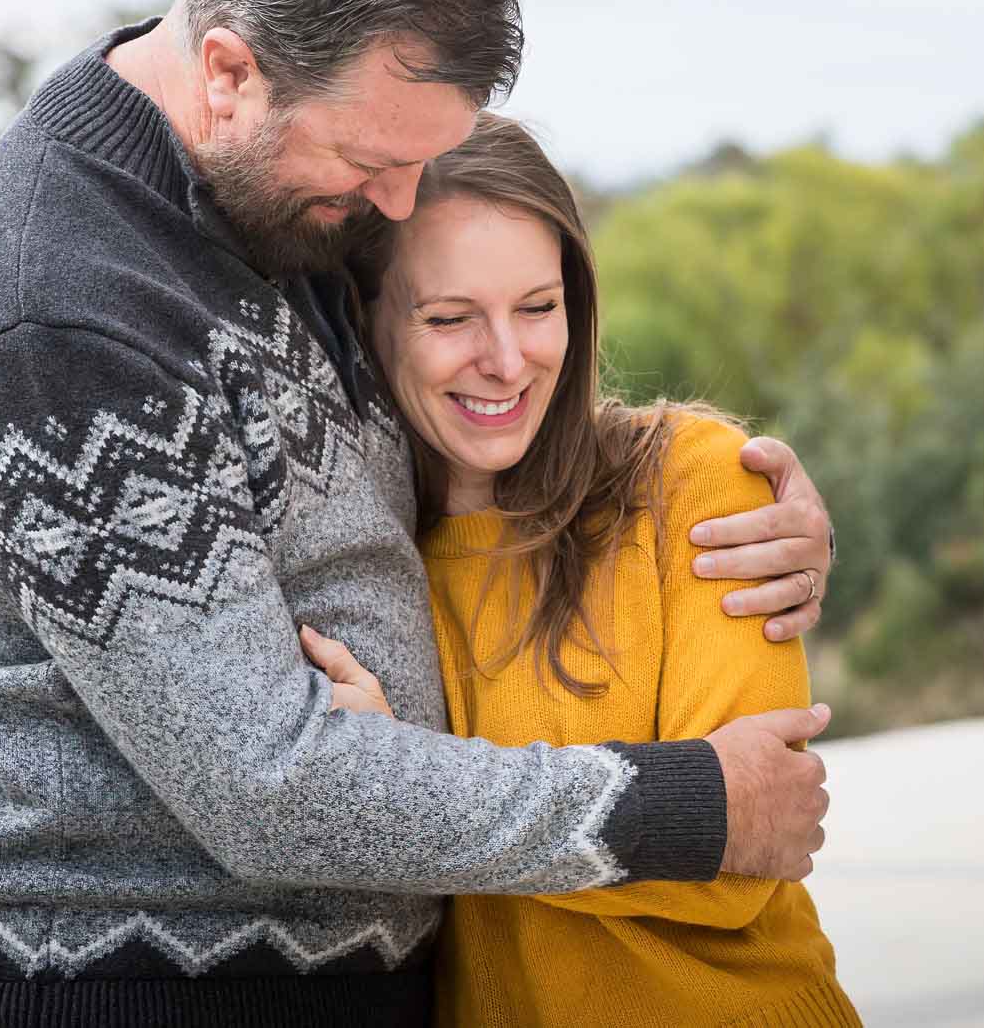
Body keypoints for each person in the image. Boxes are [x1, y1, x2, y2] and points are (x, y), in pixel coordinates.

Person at [0, 0, 835, 1028]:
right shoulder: (55, 313)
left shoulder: (273, 190)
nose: (396, 204)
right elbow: (267, 786)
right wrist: (689, 806)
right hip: (119, 996)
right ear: (225, 70)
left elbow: (466, 394)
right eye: (372, 162)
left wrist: (710, 487)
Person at [304, 114, 861, 1027]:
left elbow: (739, 855)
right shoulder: (356, 562)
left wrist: (404, 783)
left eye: (537, 305)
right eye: (450, 317)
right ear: (368, 320)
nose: (508, 358)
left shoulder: (696, 481)